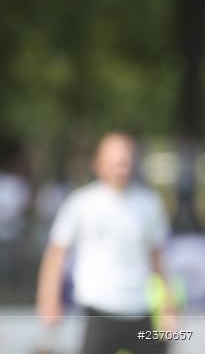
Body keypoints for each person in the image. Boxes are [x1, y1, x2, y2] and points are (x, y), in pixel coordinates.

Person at [36, 132, 176, 354]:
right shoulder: (81, 203)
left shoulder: (148, 204)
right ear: (98, 164)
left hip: (141, 309)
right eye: (115, 162)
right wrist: (48, 299)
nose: (122, 169)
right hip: (98, 310)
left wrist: (169, 307)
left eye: (126, 162)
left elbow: (157, 256)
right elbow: (56, 254)